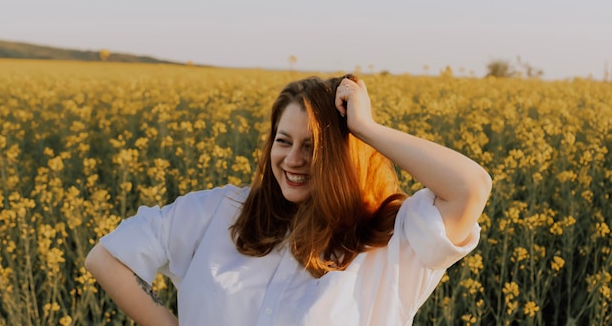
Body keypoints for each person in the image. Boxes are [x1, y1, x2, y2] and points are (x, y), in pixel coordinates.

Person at [85, 74, 492, 326]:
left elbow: (470, 188)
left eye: (313, 147)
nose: (292, 160)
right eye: (283, 141)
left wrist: (364, 127)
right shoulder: (219, 212)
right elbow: (105, 258)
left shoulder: (389, 243)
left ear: (341, 157)